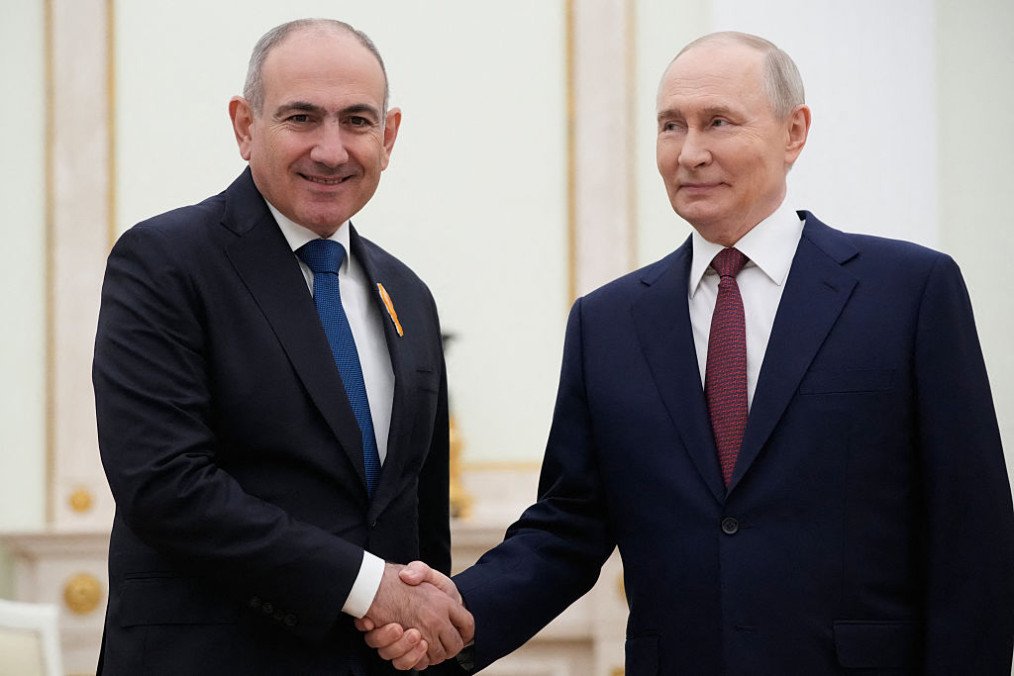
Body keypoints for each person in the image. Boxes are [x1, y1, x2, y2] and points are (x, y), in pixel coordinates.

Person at [362, 31, 1014, 674]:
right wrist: (458, 612)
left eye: (718, 122)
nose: (690, 152)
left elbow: (972, 536)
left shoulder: (908, 293)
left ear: (794, 132)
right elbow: (568, 528)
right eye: (671, 125)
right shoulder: (606, 323)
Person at [92, 18, 471, 675]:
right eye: (301, 117)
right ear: (245, 126)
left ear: (388, 137)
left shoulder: (409, 296)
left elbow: (417, 524)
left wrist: (421, 632)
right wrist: (367, 587)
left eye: (357, 121)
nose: (331, 149)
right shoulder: (164, 263)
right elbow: (167, 487)